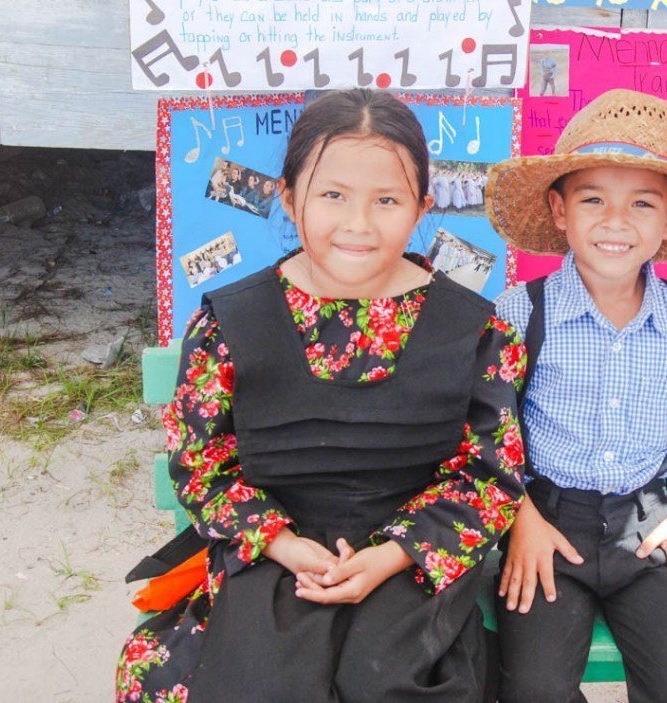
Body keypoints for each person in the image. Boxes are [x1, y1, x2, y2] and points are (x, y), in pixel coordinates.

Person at [116, 88, 527, 703]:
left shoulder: (475, 332)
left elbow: (490, 478)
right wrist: (283, 545)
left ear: (422, 206)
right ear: (290, 198)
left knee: (388, 684)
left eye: (386, 200)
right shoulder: (231, 325)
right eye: (333, 195)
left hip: (413, 559)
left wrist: (390, 556)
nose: (358, 224)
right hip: (273, 553)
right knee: (252, 686)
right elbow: (201, 467)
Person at [484, 89, 667, 703]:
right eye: (592, 199)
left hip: (647, 527)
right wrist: (522, 521)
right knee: (532, 688)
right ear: (559, 210)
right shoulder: (518, 314)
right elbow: (486, 428)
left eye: (642, 203)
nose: (616, 221)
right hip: (547, 525)